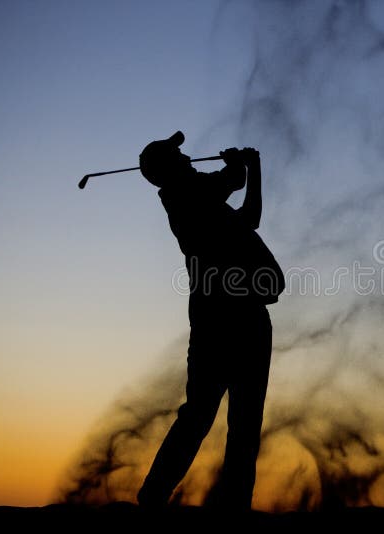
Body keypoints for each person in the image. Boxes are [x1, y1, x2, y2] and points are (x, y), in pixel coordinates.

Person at [136, 131, 284, 510]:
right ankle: (154, 497)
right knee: (205, 418)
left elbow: (248, 213)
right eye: (176, 154)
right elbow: (236, 190)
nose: (185, 156)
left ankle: (227, 505)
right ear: (167, 170)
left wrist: (251, 169)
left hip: (243, 319)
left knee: (236, 423)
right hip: (225, 322)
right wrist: (242, 167)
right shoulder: (186, 196)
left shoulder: (197, 196)